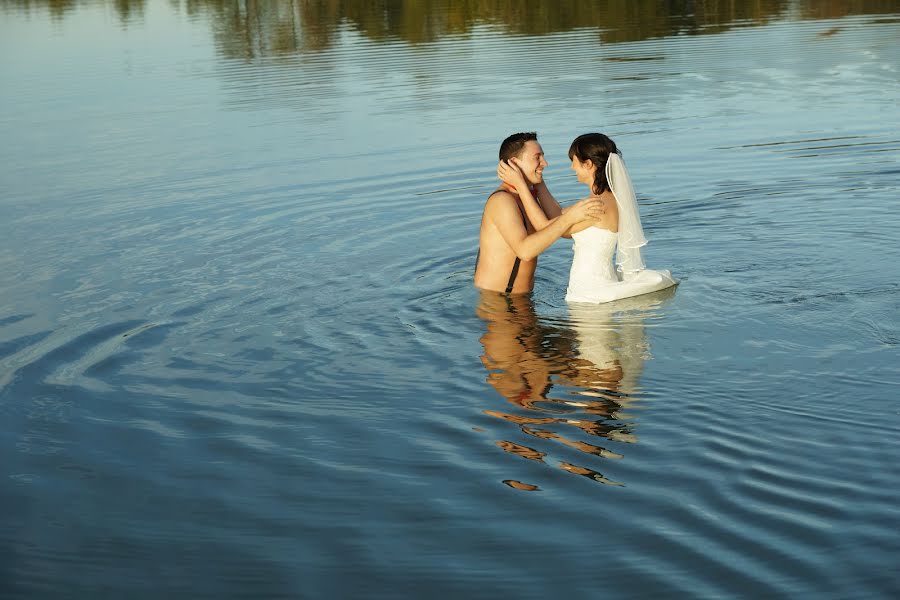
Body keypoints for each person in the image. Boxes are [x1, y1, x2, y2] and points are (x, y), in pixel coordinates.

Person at [497, 132, 677, 304]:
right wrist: (539, 182)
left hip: (591, 294)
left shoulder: (597, 207)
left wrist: (521, 185)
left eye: (573, 161)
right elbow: (558, 218)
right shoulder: (605, 200)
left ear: (588, 164)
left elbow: (546, 227)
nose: (571, 167)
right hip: (596, 288)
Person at [474, 132, 605, 294]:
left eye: (543, 157)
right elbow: (525, 250)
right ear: (514, 163)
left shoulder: (526, 195)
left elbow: (553, 222)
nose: (545, 163)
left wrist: (537, 183)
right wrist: (571, 217)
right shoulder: (502, 201)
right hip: (499, 302)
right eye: (537, 157)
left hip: (519, 299)